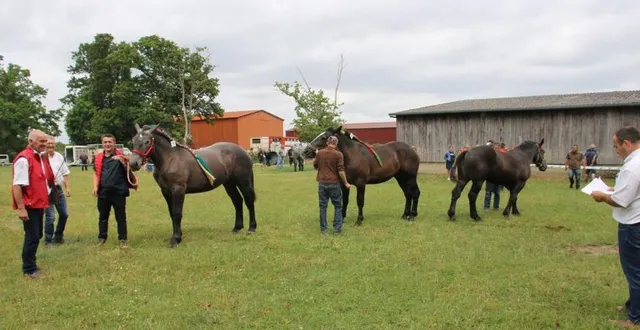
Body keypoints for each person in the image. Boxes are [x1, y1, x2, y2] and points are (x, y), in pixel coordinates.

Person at [591, 126, 640, 328]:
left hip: (632, 226)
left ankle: (635, 319)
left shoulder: (631, 167)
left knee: (634, 272)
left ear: (626, 144)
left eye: (616, 146)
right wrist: (612, 187)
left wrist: (602, 195)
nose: (615, 150)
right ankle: (633, 305)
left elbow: (621, 200)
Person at [11, 129, 54, 279]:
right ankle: (29, 269)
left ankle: (31, 263)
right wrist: (21, 209)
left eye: (45, 141)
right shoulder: (24, 159)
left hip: (38, 204)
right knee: (32, 236)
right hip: (30, 205)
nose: (45, 144)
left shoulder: (39, 157)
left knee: (37, 234)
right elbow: (17, 186)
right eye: (41, 141)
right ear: (30, 141)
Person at [93, 133, 138, 248]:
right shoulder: (98, 158)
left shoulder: (121, 155)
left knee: (121, 217)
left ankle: (123, 240)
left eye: (110, 142)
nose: (107, 144)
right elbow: (95, 173)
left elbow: (133, 164)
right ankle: (102, 239)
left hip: (118, 192)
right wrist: (95, 187)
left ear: (114, 143)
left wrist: (124, 159)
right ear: (102, 143)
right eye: (105, 142)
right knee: (103, 217)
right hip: (103, 192)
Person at [313, 136, 351, 234]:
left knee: (323, 206)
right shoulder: (339, 154)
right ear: (336, 144)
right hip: (334, 183)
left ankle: (324, 229)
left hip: (322, 183)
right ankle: (337, 229)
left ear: (327, 143)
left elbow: (315, 165)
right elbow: (341, 171)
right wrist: (346, 183)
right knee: (338, 206)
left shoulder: (320, 153)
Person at [44, 136, 71, 247]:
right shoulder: (41, 157)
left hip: (58, 189)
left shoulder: (59, 156)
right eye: (48, 143)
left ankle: (58, 236)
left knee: (64, 214)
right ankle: (48, 240)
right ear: (44, 144)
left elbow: (65, 173)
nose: (51, 146)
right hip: (46, 189)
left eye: (52, 144)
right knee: (50, 217)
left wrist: (67, 187)